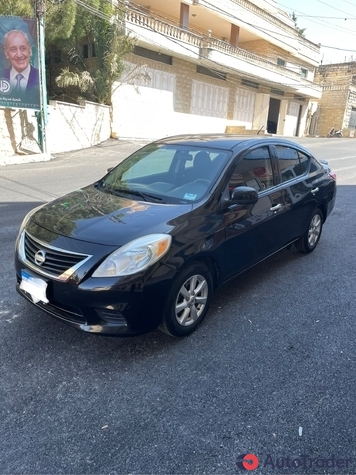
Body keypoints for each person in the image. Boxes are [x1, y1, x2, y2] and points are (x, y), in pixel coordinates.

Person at [1, 29, 40, 102]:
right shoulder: (1, 76)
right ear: (6, 53)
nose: (19, 55)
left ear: (30, 50)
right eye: (13, 49)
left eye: (23, 48)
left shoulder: (39, 77)